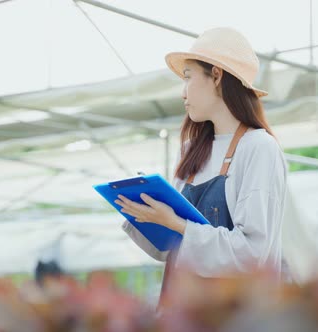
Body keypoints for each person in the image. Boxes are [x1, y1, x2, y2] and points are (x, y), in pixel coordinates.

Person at [115, 27, 287, 302]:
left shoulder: (258, 147)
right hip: (183, 311)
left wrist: (178, 224)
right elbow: (168, 252)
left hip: (232, 315)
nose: (183, 93)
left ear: (216, 76)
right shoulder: (192, 150)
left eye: (187, 77)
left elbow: (253, 255)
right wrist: (146, 215)